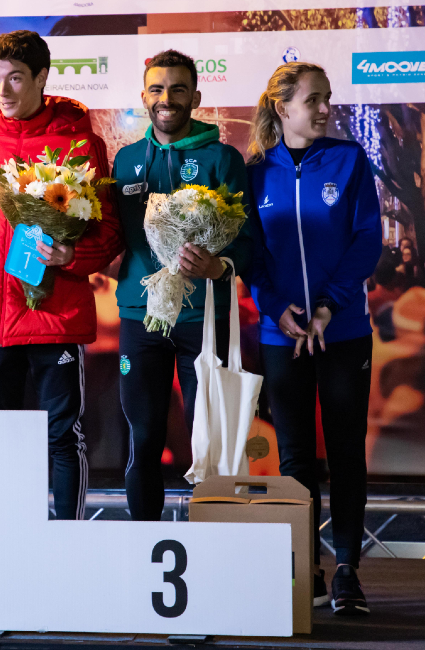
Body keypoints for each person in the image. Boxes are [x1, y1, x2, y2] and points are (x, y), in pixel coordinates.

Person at [0, 31, 122, 520]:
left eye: (15, 78)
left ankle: (68, 541)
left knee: (61, 434)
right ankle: (5, 538)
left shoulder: (81, 140)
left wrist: (69, 256)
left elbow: (111, 231)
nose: (3, 90)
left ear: (41, 77)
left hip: (56, 312)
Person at [246, 62, 381, 615]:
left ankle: (347, 569)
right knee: (295, 457)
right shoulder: (253, 172)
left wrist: (328, 307)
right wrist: (278, 310)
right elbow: (251, 253)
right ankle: (304, 567)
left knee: (346, 451)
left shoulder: (348, 161)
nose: (326, 108)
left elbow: (366, 240)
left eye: (328, 99)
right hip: (282, 336)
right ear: (283, 108)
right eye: (315, 100)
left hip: (342, 332)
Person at [111, 49, 253, 522]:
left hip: (203, 319)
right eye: (156, 88)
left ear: (195, 95)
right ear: (144, 96)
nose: (165, 98)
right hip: (139, 315)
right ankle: (143, 548)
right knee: (144, 436)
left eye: (176, 89)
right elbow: (113, 238)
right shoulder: (127, 161)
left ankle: (214, 552)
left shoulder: (224, 159)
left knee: (207, 439)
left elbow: (251, 241)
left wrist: (220, 267)